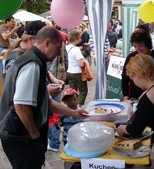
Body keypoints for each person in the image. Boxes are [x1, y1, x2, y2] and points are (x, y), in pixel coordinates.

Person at [0, 26, 89, 169]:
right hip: (19, 136)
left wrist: (74, 112)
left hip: (19, 134)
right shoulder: (32, 64)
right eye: (58, 48)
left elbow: (47, 102)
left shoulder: (35, 62)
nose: (58, 54)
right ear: (47, 42)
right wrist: (35, 136)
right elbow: (21, 107)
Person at [121, 28, 154, 101]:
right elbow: (125, 78)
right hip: (135, 97)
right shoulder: (131, 57)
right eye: (135, 46)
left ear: (147, 44)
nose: (138, 49)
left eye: (140, 46)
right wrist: (126, 97)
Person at [66, 29, 88, 106]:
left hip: (69, 71)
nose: (80, 39)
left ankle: (71, 106)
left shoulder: (67, 47)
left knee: (72, 91)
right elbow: (81, 64)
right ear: (75, 39)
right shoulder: (76, 50)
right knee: (83, 90)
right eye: (79, 38)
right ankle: (78, 106)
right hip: (77, 72)